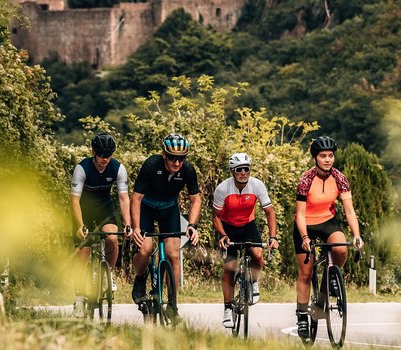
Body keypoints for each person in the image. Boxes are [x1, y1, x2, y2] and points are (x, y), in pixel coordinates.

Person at [293, 136, 364, 339]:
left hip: (327, 222)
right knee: (306, 273)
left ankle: (330, 279)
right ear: (315, 158)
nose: (327, 160)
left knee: (341, 249)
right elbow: (299, 214)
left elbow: (349, 211)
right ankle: (302, 317)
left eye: (330, 156)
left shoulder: (340, 178)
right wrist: (305, 237)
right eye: (323, 156)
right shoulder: (306, 180)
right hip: (305, 223)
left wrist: (357, 235)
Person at [129, 133, 201, 320]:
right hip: (147, 207)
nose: (176, 162)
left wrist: (192, 225)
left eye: (181, 158)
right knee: (145, 249)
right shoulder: (151, 165)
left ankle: (172, 304)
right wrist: (136, 228)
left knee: (173, 254)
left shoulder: (188, 170)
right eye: (172, 157)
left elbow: (196, 199)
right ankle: (141, 277)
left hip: (169, 209)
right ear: (164, 154)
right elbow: (136, 198)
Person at [212, 153, 279, 328]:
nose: (243, 173)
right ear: (232, 171)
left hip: (248, 226)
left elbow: (270, 212)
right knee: (229, 268)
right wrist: (223, 235)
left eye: (246, 169)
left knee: (257, 254)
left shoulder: (257, 185)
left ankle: (253, 281)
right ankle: (228, 308)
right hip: (228, 228)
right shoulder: (222, 189)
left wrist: (273, 237)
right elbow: (216, 217)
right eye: (239, 170)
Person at [70, 132, 132, 318]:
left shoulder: (118, 168)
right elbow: (74, 200)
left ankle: (109, 274)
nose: (105, 159)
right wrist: (80, 225)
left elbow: (123, 198)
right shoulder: (82, 168)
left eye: (109, 155)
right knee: (84, 253)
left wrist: (128, 224)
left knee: (112, 238)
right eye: (102, 155)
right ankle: (79, 299)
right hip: (84, 208)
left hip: (105, 207)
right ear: (93, 152)